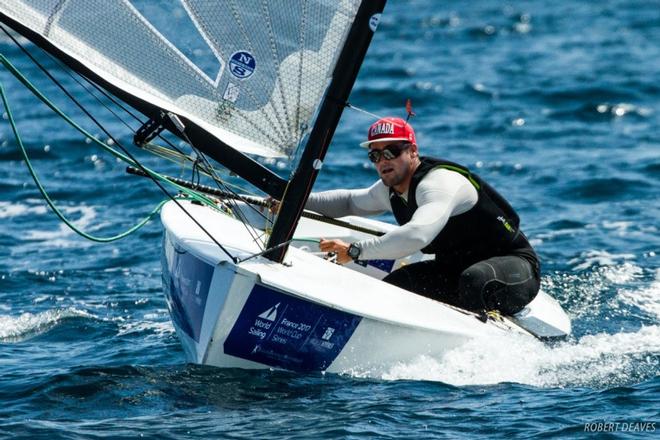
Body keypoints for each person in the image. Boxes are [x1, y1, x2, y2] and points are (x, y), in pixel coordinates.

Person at [287, 117, 539, 315]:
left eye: (391, 151)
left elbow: (416, 235)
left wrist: (354, 251)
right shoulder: (391, 189)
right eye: (375, 155)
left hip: (511, 269)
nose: (382, 161)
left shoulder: (439, 183)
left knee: (474, 280)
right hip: (453, 269)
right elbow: (350, 202)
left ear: (413, 151)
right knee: (395, 287)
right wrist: (290, 201)